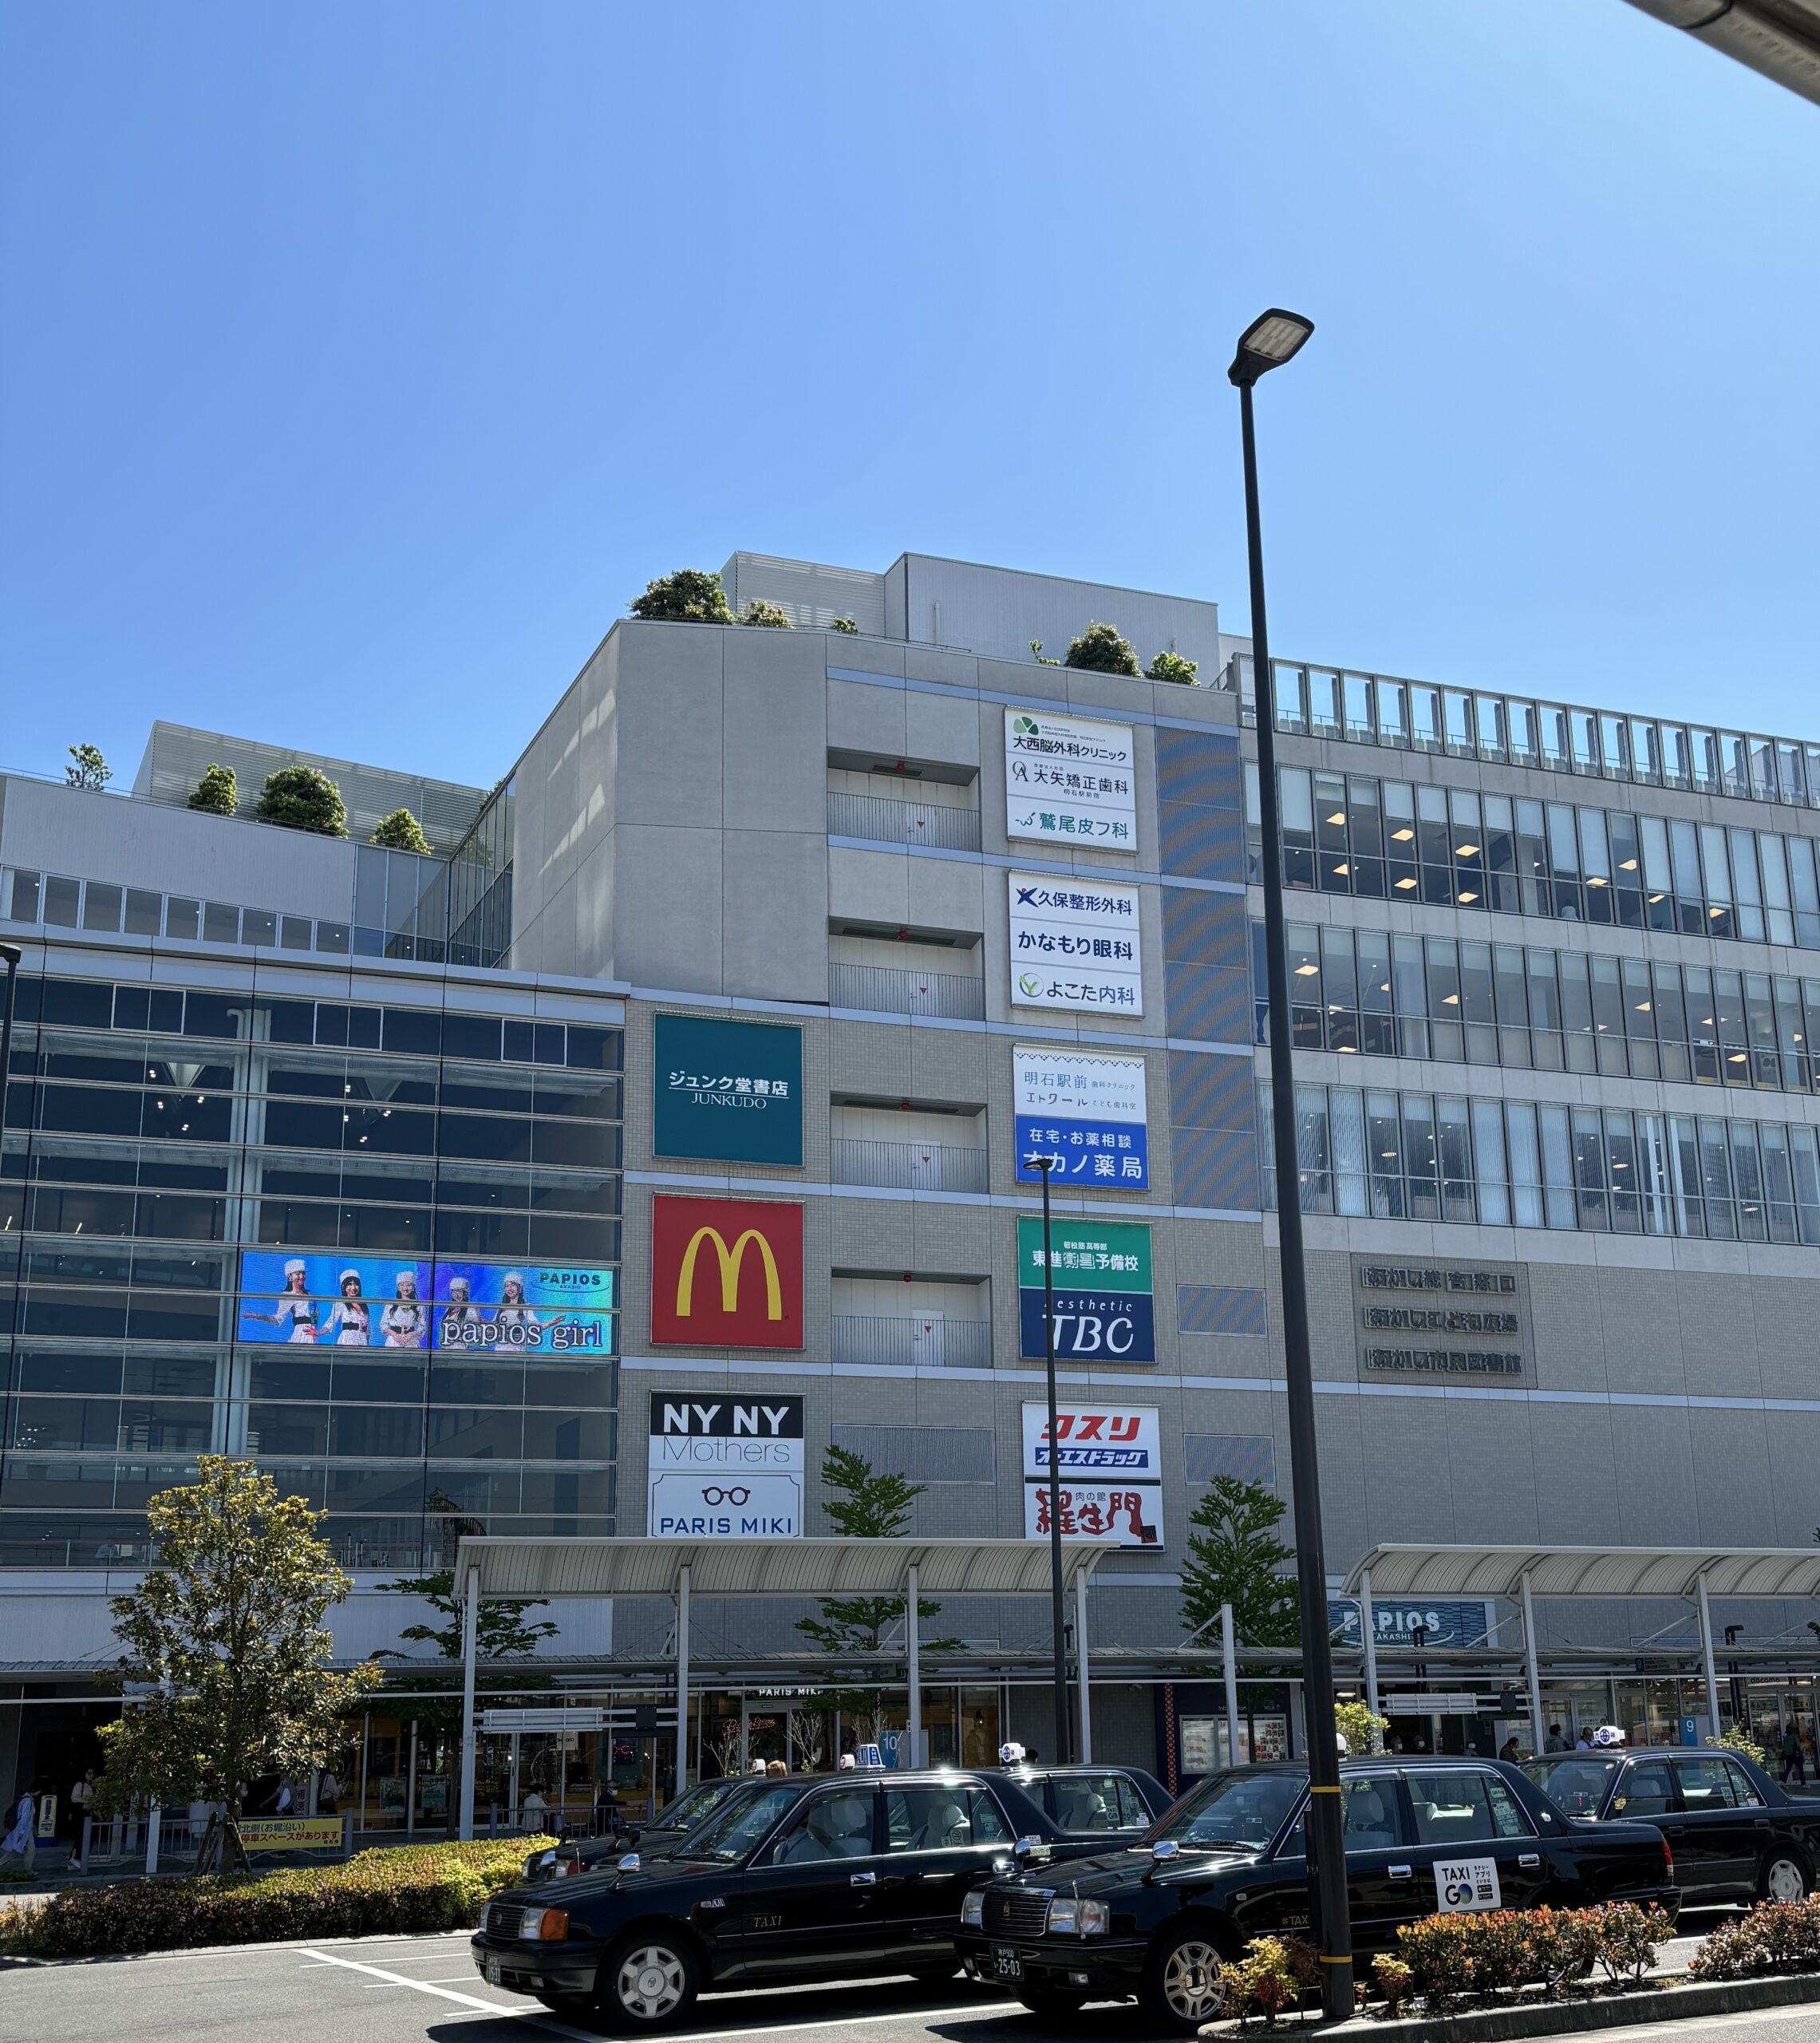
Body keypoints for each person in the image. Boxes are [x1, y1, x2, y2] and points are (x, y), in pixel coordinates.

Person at [248, 1259, 320, 1342]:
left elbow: (316, 1314)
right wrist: (258, 1317)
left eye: (303, 1273)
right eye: (297, 1274)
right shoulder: (288, 1296)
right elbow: (278, 1319)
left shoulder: (309, 1294)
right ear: (290, 1277)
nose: (301, 1277)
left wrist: (315, 1330)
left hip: (312, 1335)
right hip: (301, 1335)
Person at [322, 1270, 371, 1346]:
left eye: (356, 1284)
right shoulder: (341, 1303)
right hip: (348, 1340)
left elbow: (368, 1330)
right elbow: (331, 1322)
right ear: (344, 1287)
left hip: (362, 1340)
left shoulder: (364, 1305)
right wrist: (318, 1333)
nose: (353, 1288)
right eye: (350, 1284)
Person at [381, 1270, 426, 1348]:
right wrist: (394, 1334)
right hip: (393, 1343)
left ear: (413, 1287)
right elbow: (383, 1325)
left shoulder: (419, 1306)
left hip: (411, 1343)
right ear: (398, 1287)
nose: (405, 1288)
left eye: (408, 1285)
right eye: (402, 1285)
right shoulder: (390, 1305)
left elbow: (422, 1327)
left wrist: (411, 1335)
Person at [2, 1792, 36, 1872]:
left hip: (24, 1830)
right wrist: (22, 1832)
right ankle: (27, 1870)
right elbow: (24, 1818)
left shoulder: (25, 1800)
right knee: (29, 1849)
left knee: (14, 1851)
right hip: (24, 1830)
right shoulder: (28, 1801)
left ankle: (28, 1870)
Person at [68, 1768, 96, 1841]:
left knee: (88, 1837)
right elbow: (74, 1798)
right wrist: (86, 1800)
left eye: (92, 1773)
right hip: (80, 1812)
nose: (91, 1775)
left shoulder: (92, 1786)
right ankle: (75, 1852)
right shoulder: (80, 1785)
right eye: (89, 1773)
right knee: (80, 1836)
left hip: (89, 1811)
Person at [1782, 1723, 1807, 1787]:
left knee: (1788, 1769)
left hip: (1788, 1756)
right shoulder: (1794, 1737)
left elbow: (1784, 1748)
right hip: (1795, 1756)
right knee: (1800, 1770)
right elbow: (1798, 1746)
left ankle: (1783, 1782)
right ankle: (1803, 1784)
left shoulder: (1785, 1738)